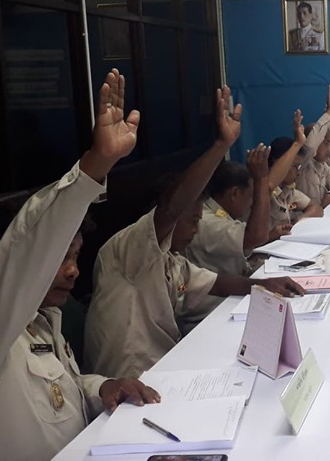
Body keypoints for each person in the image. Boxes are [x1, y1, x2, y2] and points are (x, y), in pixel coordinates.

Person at [0, 69, 162, 460]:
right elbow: (28, 247)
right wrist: (92, 169)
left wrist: (101, 387)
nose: (72, 270)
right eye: (61, 256)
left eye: (76, 256)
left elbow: (58, 391)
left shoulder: (42, 320)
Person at [86, 86, 306, 379]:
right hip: (128, 382)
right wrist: (221, 145)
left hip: (165, 367)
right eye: (191, 221)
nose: (194, 230)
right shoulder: (128, 250)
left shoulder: (172, 261)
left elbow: (217, 283)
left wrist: (265, 284)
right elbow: (174, 207)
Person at [184, 147, 275, 278]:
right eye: (250, 197)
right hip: (220, 298)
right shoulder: (206, 222)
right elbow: (257, 235)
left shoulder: (222, 212)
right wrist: (261, 179)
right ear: (234, 194)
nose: (251, 204)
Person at [296, 84, 330, 208]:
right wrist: (329, 112)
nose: (328, 150)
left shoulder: (322, 165)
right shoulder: (303, 163)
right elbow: (310, 146)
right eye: (323, 143)